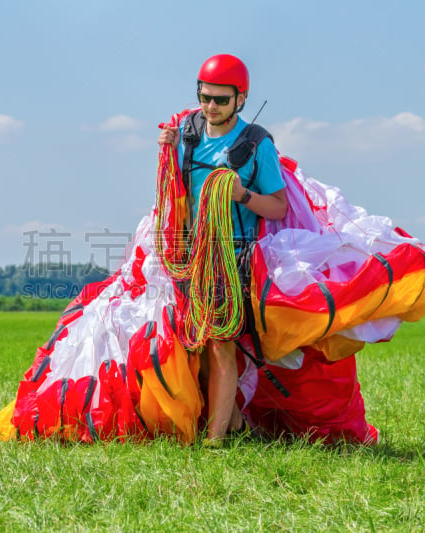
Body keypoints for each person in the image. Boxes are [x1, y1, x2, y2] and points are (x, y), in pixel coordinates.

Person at [158, 54, 288, 445]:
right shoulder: (188, 131)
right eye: (205, 97)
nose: (210, 107)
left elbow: (279, 206)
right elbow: (175, 191)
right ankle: (233, 425)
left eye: (220, 100)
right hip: (188, 253)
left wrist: (241, 194)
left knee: (220, 344)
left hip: (232, 256)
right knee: (193, 343)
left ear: (241, 99)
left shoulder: (256, 144)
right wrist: (166, 149)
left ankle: (215, 440)